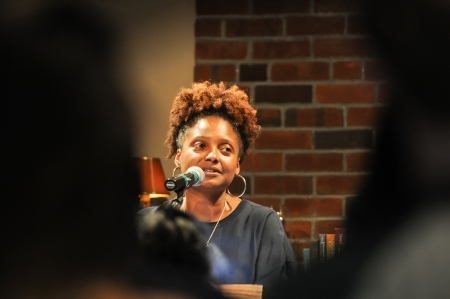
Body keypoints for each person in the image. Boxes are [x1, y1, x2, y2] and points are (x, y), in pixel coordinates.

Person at [138, 81, 298, 299]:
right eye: (200, 145)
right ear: (178, 155)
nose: (213, 156)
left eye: (226, 149)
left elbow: (272, 295)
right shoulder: (146, 224)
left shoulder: (262, 224)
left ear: (237, 164)